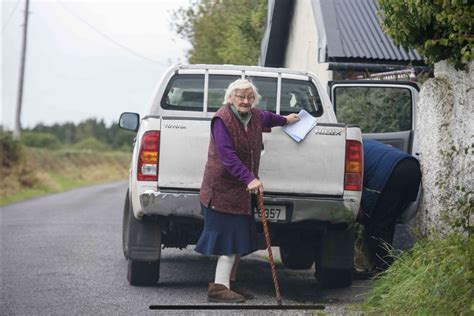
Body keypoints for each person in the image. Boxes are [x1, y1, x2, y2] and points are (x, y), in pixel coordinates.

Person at [195, 79, 299, 303]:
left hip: (240, 191)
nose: (245, 101)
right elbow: (227, 156)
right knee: (228, 240)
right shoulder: (221, 119)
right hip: (221, 189)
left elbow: (270, 117)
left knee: (238, 238)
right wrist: (249, 178)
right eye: (240, 96)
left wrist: (287, 120)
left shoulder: (255, 116)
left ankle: (228, 285)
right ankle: (218, 288)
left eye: (249, 97)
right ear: (231, 97)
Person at [358, 139, 422, 273]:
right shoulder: (362, 141)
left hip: (392, 172)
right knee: (387, 220)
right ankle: (384, 264)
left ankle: (383, 268)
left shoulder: (345, 150)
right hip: (412, 167)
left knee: (376, 223)